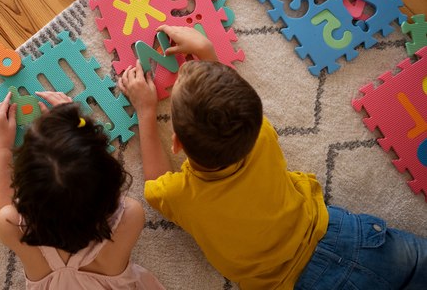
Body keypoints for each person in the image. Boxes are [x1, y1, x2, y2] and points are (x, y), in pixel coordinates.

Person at [117, 25, 427, 290]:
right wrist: (208, 52)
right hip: (349, 237)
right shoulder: (261, 135)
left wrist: (145, 110)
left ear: (176, 143)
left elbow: (154, 182)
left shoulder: (179, 194)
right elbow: (237, 105)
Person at [0, 90, 165, 289]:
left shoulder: (11, 226)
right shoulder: (130, 217)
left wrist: (2, 146)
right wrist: (75, 124)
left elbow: (2, 209)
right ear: (110, 181)